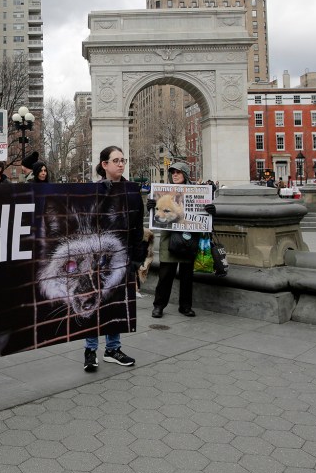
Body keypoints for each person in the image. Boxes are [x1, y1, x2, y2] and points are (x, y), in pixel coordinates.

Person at [82, 145, 142, 372]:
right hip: (96, 257)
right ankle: (90, 350)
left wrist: (137, 257)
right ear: (104, 165)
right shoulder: (93, 190)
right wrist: (102, 195)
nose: (121, 164)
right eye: (116, 160)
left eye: (123, 160)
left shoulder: (132, 190)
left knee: (117, 302)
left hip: (122, 256)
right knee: (93, 302)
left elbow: (137, 226)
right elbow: (86, 223)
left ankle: (112, 348)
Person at [150, 160, 216, 320]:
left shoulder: (198, 191)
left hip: (189, 239)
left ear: (185, 174)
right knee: (165, 275)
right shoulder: (164, 194)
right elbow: (157, 217)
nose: (175, 175)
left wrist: (211, 211)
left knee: (187, 276)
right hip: (169, 239)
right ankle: (158, 306)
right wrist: (151, 207)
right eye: (173, 173)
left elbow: (203, 219)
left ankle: (185, 306)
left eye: (178, 172)